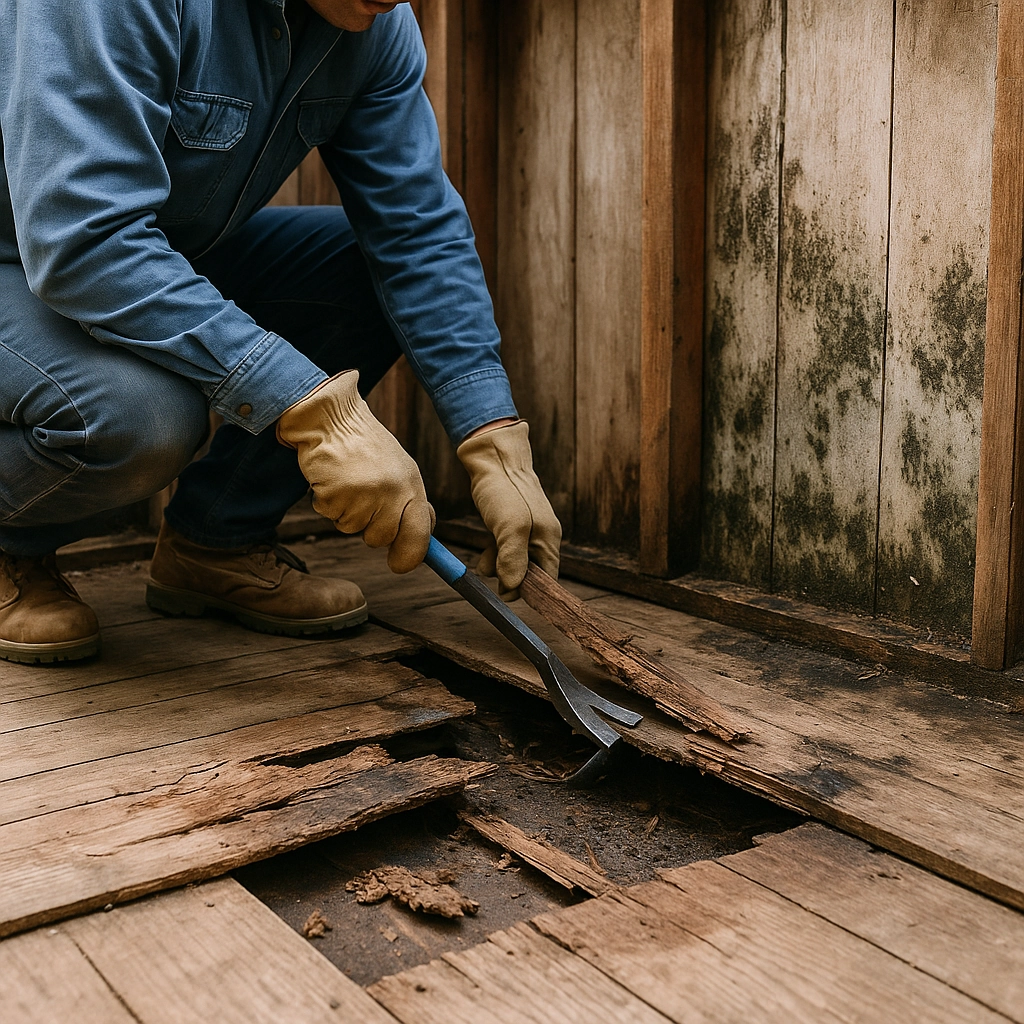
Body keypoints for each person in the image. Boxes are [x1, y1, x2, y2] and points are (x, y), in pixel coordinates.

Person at [0, 0, 560, 664]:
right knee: (138, 416)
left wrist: (492, 435)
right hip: (47, 254)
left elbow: (416, 232)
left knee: (371, 275)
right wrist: (312, 408)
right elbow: (87, 242)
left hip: (128, 254)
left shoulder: (374, 24)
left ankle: (215, 541)